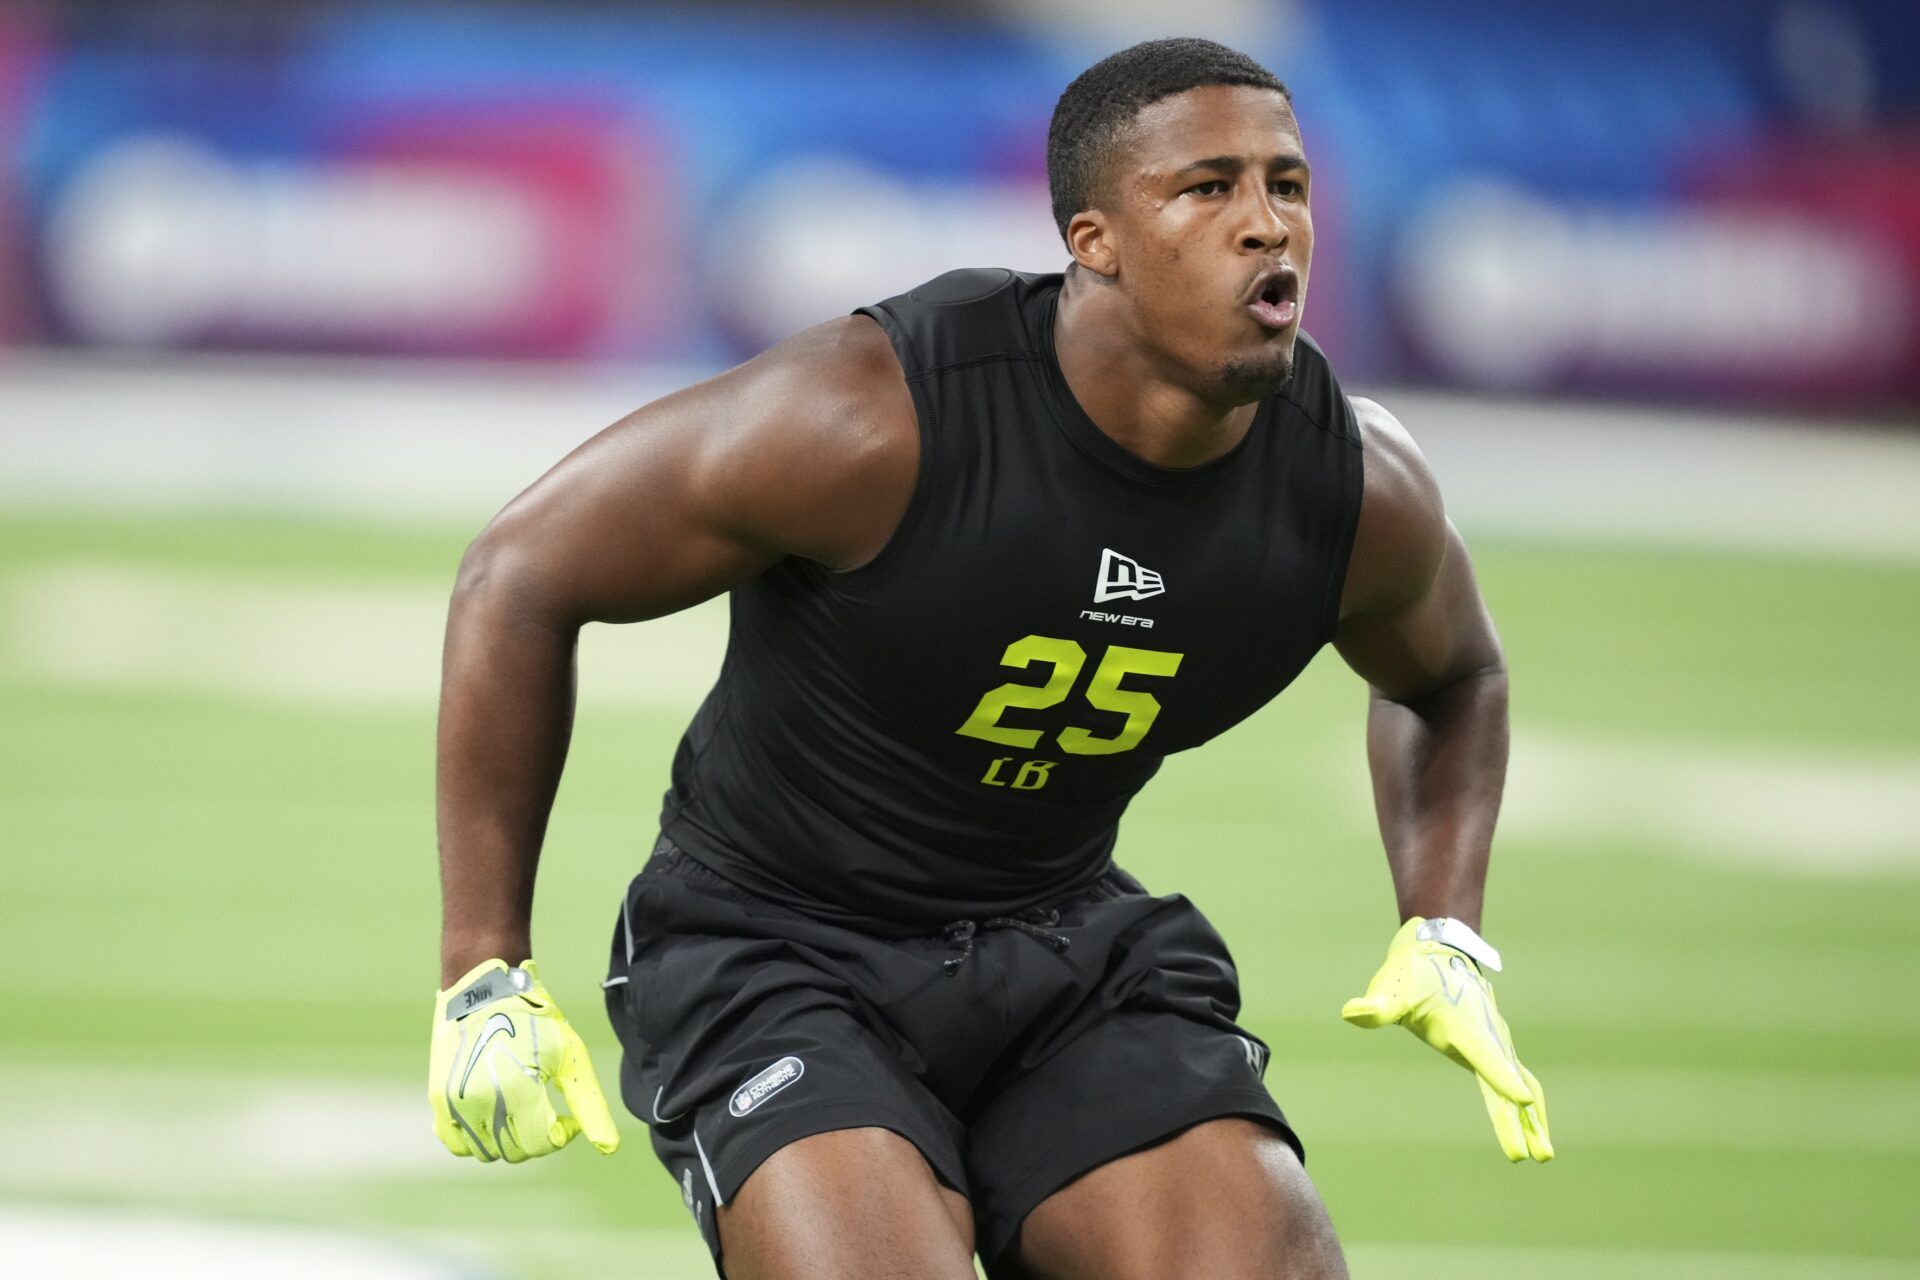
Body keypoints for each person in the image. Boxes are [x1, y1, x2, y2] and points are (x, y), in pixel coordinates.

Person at [429, 35, 1552, 1280]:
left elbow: (1453, 674)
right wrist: (485, 967)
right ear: (1094, 240)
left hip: (1063, 943)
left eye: (1287, 184)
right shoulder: (877, 414)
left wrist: (1445, 923)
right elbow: (519, 572)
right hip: (775, 938)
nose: (1265, 228)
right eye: (1207, 187)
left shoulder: (1350, 488)